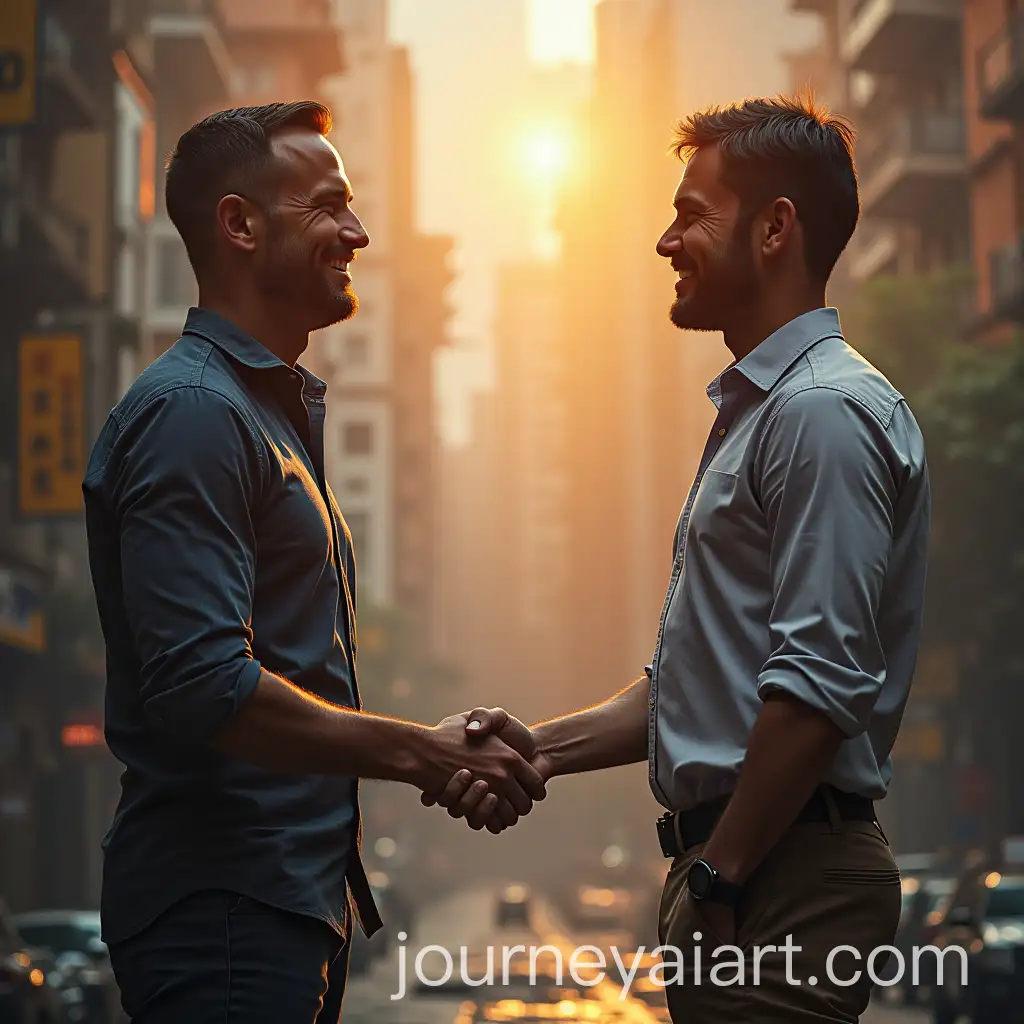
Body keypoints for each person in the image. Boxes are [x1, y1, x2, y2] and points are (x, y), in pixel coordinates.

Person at [433, 95, 931, 1022]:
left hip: (781, 875)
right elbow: (693, 689)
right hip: (754, 870)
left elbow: (818, 681)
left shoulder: (822, 414)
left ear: (776, 228)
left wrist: (720, 876)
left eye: (692, 215)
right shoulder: (763, 414)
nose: (667, 242)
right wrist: (532, 748)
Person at [82, 101, 545, 1024]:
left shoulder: (264, 416)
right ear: (239, 224)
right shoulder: (196, 417)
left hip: (282, 910)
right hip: (223, 914)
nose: (357, 231)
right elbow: (205, 685)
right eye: (327, 206)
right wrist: (421, 751)